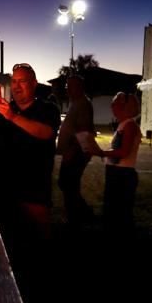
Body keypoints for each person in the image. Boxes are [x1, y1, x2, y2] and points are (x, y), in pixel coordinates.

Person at [0, 63, 60, 244]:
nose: (16, 86)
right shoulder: (3, 109)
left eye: (22, 81)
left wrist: (13, 117)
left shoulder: (48, 108)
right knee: (0, 243)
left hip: (32, 191)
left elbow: (45, 133)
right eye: (14, 81)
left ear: (34, 84)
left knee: (36, 242)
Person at [95, 92, 142, 239]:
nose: (111, 106)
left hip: (123, 176)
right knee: (113, 212)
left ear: (125, 106)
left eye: (115, 103)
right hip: (116, 173)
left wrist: (102, 153)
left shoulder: (129, 125)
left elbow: (123, 152)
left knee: (120, 214)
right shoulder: (123, 124)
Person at [56, 75, 97, 227]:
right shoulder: (76, 103)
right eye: (67, 86)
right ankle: (78, 214)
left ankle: (80, 214)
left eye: (70, 86)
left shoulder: (83, 104)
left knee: (67, 183)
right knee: (68, 184)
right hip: (73, 151)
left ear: (80, 87)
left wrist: (71, 150)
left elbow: (83, 130)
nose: (67, 89)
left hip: (76, 152)